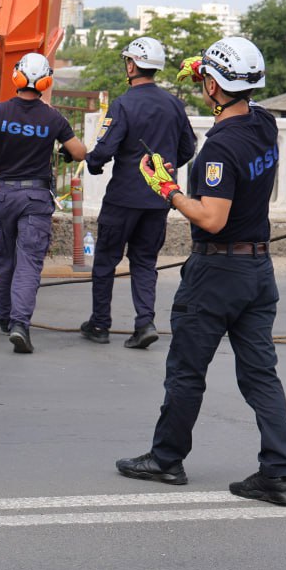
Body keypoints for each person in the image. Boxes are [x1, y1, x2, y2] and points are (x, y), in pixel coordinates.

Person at [115, 36, 286, 507]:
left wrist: (168, 190)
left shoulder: (219, 149)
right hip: (258, 269)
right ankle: (278, 475)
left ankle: (166, 459)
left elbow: (212, 218)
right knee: (261, 376)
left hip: (216, 272)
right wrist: (211, 70)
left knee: (186, 371)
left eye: (205, 81)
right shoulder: (264, 125)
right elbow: (240, 101)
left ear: (214, 87)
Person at [0, 53, 86, 354]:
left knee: (5, 260)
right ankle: (20, 324)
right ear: (46, 82)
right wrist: (65, 150)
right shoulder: (53, 118)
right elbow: (79, 153)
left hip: (2, 197)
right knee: (29, 262)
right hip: (35, 199)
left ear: (17, 77)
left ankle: (3, 318)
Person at [81, 36, 195, 349]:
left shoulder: (123, 104)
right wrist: (161, 175)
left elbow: (105, 149)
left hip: (122, 199)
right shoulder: (174, 104)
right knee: (144, 261)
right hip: (158, 200)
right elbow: (187, 148)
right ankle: (145, 322)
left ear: (132, 65)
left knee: (106, 260)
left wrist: (92, 164)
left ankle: (100, 325)